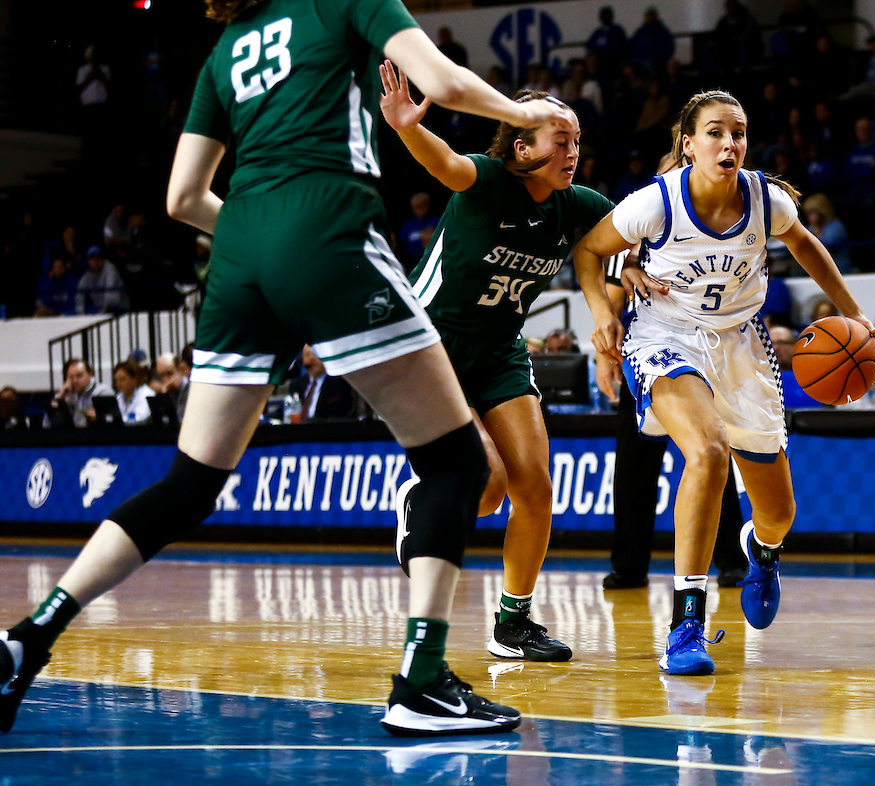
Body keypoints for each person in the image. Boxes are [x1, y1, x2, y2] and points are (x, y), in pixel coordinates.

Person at [0, 0, 575, 738]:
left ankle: (30, 635)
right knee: (457, 464)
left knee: (187, 485)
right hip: (325, 224)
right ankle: (421, 683)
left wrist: (259, 237)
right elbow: (445, 81)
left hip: (237, 253)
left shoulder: (224, 49)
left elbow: (180, 199)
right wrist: (520, 116)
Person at [575, 90, 874, 675]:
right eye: (714, 132)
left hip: (741, 343)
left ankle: (761, 552)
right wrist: (603, 314)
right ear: (688, 144)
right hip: (667, 336)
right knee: (706, 452)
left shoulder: (764, 200)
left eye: (737, 132)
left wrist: (856, 315)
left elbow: (807, 245)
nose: (729, 142)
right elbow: (590, 250)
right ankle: (687, 620)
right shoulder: (655, 203)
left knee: (779, 513)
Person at [380, 65, 610, 664]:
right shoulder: (485, 179)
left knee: (536, 486)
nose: (572, 151)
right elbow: (445, 164)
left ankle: (513, 625)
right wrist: (408, 127)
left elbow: (624, 233)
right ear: (521, 145)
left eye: (577, 141)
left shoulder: (575, 204)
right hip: (431, 346)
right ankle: (416, 499)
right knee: (486, 487)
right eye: (560, 139)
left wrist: (629, 267)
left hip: (501, 348)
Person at [598, 252, 749, 589]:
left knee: (709, 455)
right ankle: (629, 566)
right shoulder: (638, 219)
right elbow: (611, 290)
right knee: (633, 467)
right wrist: (604, 355)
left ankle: (731, 560)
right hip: (645, 350)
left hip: (702, 348)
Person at [289, 345, 355, 420]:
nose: (311, 359)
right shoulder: (296, 384)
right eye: (307, 355)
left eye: (315, 355)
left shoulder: (340, 383)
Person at [48, 358, 115, 428]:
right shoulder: (67, 395)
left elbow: (112, 421)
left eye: (79, 376)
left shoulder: (102, 392)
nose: (75, 381)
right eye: (71, 377)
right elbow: (47, 423)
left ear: (90, 374)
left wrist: (98, 418)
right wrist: (60, 397)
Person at [802, 194, 851, 274]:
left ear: (822, 212)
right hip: (815, 271)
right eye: (808, 214)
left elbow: (826, 246)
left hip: (838, 269)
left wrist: (816, 230)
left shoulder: (836, 226)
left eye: (812, 213)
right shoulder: (809, 229)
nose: (810, 217)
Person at [76, 245, 129, 314]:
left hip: (118, 308)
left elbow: (110, 294)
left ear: (103, 259)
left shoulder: (110, 269)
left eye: (98, 258)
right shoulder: (87, 275)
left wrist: (102, 311)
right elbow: (79, 294)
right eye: (92, 259)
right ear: (88, 261)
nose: (95, 262)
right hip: (99, 309)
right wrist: (80, 313)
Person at [398, 192, 439, 265]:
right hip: (412, 260)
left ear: (427, 206)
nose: (419, 210)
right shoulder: (408, 225)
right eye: (416, 207)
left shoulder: (437, 222)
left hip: (433, 257)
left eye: (421, 206)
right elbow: (402, 244)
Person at [113, 360, 155, 426]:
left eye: (122, 379)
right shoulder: (120, 396)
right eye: (117, 380)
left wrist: (119, 419)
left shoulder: (146, 394)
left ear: (134, 379)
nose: (118, 383)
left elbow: (140, 418)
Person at [155, 352, 191, 418]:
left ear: (180, 369)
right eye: (162, 375)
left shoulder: (190, 389)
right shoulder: (167, 391)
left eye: (169, 373)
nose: (166, 379)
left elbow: (181, 417)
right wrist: (164, 396)